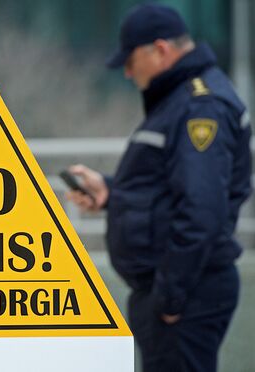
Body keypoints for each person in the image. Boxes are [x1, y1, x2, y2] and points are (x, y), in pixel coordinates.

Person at [67, 4, 252, 372]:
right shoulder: (181, 100)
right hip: (178, 290)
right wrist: (109, 191)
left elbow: (201, 210)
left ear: (160, 49)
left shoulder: (201, 106)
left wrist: (170, 297)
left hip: (185, 294)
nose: (127, 71)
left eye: (132, 59)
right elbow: (171, 189)